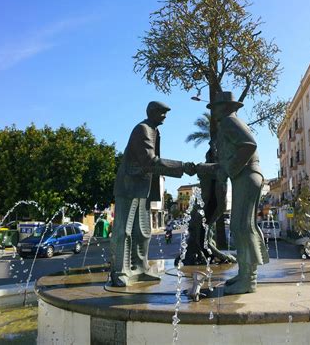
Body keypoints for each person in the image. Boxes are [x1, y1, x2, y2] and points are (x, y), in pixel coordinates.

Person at [111, 101, 196, 287]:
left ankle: (140, 269)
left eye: (166, 113)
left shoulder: (153, 130)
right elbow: (149, 161)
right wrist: (182, 167)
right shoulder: (143, 129)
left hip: (142, 187)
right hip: (129, 187)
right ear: (151, 112)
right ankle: (120, 271)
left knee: (142, 231)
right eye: (162, 112)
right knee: (123, 231)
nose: (165, 116)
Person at [198, 91, 269, 294]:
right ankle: (245, 273)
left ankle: (249, 280)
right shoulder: (228, 124)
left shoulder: (230, 122)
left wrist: (230, 168)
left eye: (216, 107)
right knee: (243, 226)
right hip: (245, 176)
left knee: (241, 226)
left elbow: (249, 145)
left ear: (226, 108)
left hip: (246, 175)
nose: (214, 112)